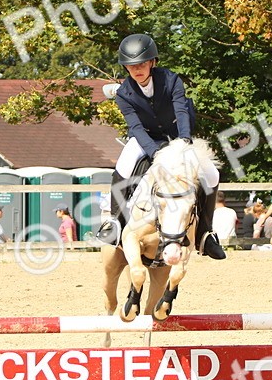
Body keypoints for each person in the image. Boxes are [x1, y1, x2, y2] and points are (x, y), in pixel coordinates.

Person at [94, 33, 225, 259]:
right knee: (124, 165)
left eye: (142, 63)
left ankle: (206, 233)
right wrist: (154, 152)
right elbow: (135, 127)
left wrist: (184, 141)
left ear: (153, 62)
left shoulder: (172, 80)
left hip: (177, 138)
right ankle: (114, 222)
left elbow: (181, 111)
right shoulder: (124, 93)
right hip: (147, 140)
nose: (137, 70)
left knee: (211, 174)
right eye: (132, 66)